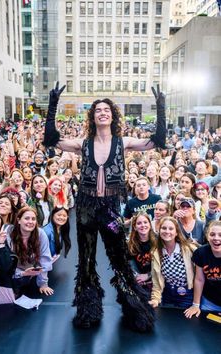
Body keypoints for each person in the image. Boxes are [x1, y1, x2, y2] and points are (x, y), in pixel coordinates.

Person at [43, 82, 166, 332]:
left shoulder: (124, 142)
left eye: (106, 109)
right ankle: (89, 310)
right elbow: (51, 139)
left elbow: (158, 141)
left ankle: (134, 309)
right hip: (87, 208)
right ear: (93, 115)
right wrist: (53, 105)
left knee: (119, 258)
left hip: (110, 208)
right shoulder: (82, 143)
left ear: (112, 115)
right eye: (98, 109)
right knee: (86, 259)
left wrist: (161, 108)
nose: (102, 112)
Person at [149, 217, 197, 309]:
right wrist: (155, 299)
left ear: (176, 233)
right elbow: (156, 279)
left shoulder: (190, 250)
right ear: (159, 231)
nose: (167, 231)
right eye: (164, 228)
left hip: (187, 294)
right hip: (167, 293)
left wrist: (196, 304)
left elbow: (200, 277)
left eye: (171, 229)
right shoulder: (156, 252)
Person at [6, 207, 53, 298]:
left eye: (33, 219)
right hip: (11, 276)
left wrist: (43, 284)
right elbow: (6, 264)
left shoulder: (40, 234)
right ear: (19, 220)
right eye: (27, 218)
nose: (30, 222)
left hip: (30, 274)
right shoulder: (9, 235)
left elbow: (44, 259)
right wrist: (21, 274)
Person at [184, 221, 221, 318]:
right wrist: (196, 305)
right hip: (209, 302)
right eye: (212, 234)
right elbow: (199, 280)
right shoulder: (201, 253)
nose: (216, 238)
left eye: (220, 235)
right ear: (208, 237)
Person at [128, 212, 156, 293]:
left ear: (150, 225)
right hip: (139, 282)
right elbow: (130, 265)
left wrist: (148, 275)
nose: (143, 225)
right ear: (135, 227)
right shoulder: (130, 244)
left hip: (157, 280)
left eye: (145, 222)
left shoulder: (158, 241)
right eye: (139, 223)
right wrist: (137, 277)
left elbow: (164, 266)